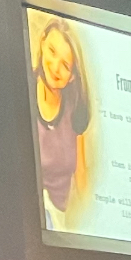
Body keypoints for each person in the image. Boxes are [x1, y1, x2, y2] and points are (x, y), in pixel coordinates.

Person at [33, 17, 90, 217]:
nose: (55, 68)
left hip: (61, 223)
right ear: (42, 42)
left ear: (73, 76)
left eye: (65, 65)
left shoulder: (76, 107)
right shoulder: (21, 90)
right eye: (52, 51)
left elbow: (81, 172)